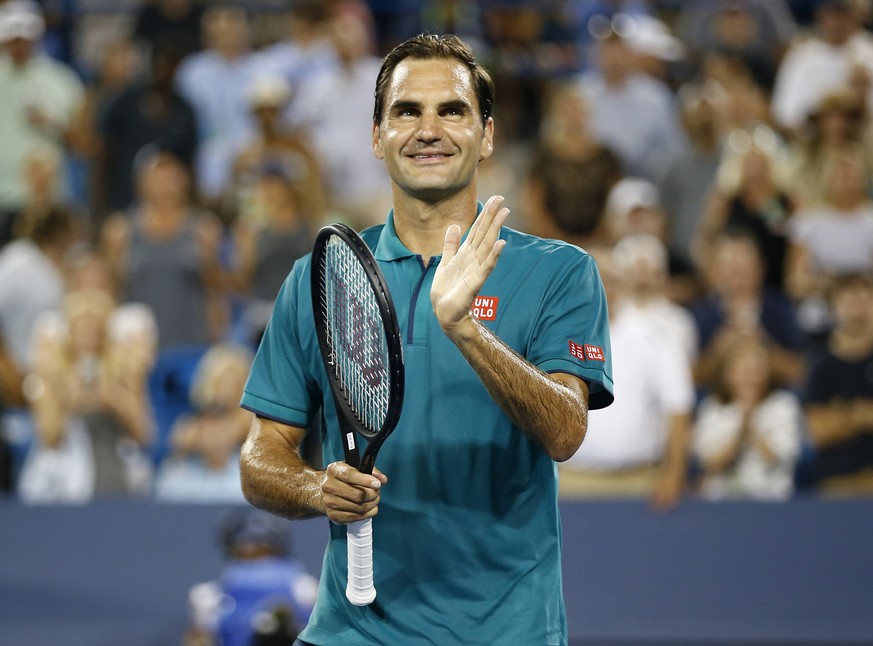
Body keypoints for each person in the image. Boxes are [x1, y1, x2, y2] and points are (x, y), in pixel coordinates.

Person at [238, 33, 614, 646]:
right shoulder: (320, 278)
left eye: (453, 111)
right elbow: (261, 458)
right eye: (407, 111)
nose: (428, 129)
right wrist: (317, 487)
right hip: (351, 632)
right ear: (377, 135)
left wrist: (466, 330)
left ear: (487, 136)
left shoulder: (561, 272)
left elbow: (566, 432)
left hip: (507, 633)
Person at [691, 337, 803, 501]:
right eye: (743, 371)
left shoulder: (783, 406)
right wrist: (741, 426)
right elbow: (712, 463)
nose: (750, 378)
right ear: (728, 374)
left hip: (772, 501)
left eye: (757, 370)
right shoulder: (713, 409)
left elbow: (775, 457)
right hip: (721, 502)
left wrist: (752, 425)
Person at [185, 508, 318, 646]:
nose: (255, 553)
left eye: (264, 549)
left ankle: (275, 625)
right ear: (234, 550)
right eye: (248, 550)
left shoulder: (304, 587)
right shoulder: (208, 597)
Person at [801, 273, 873, 493]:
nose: (857, 308)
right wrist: (857, 415)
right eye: (850, 300)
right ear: (834, 308)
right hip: (838, 485)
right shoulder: (821, 367)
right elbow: (818, 432)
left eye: (863, 300)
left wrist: (840, 414)